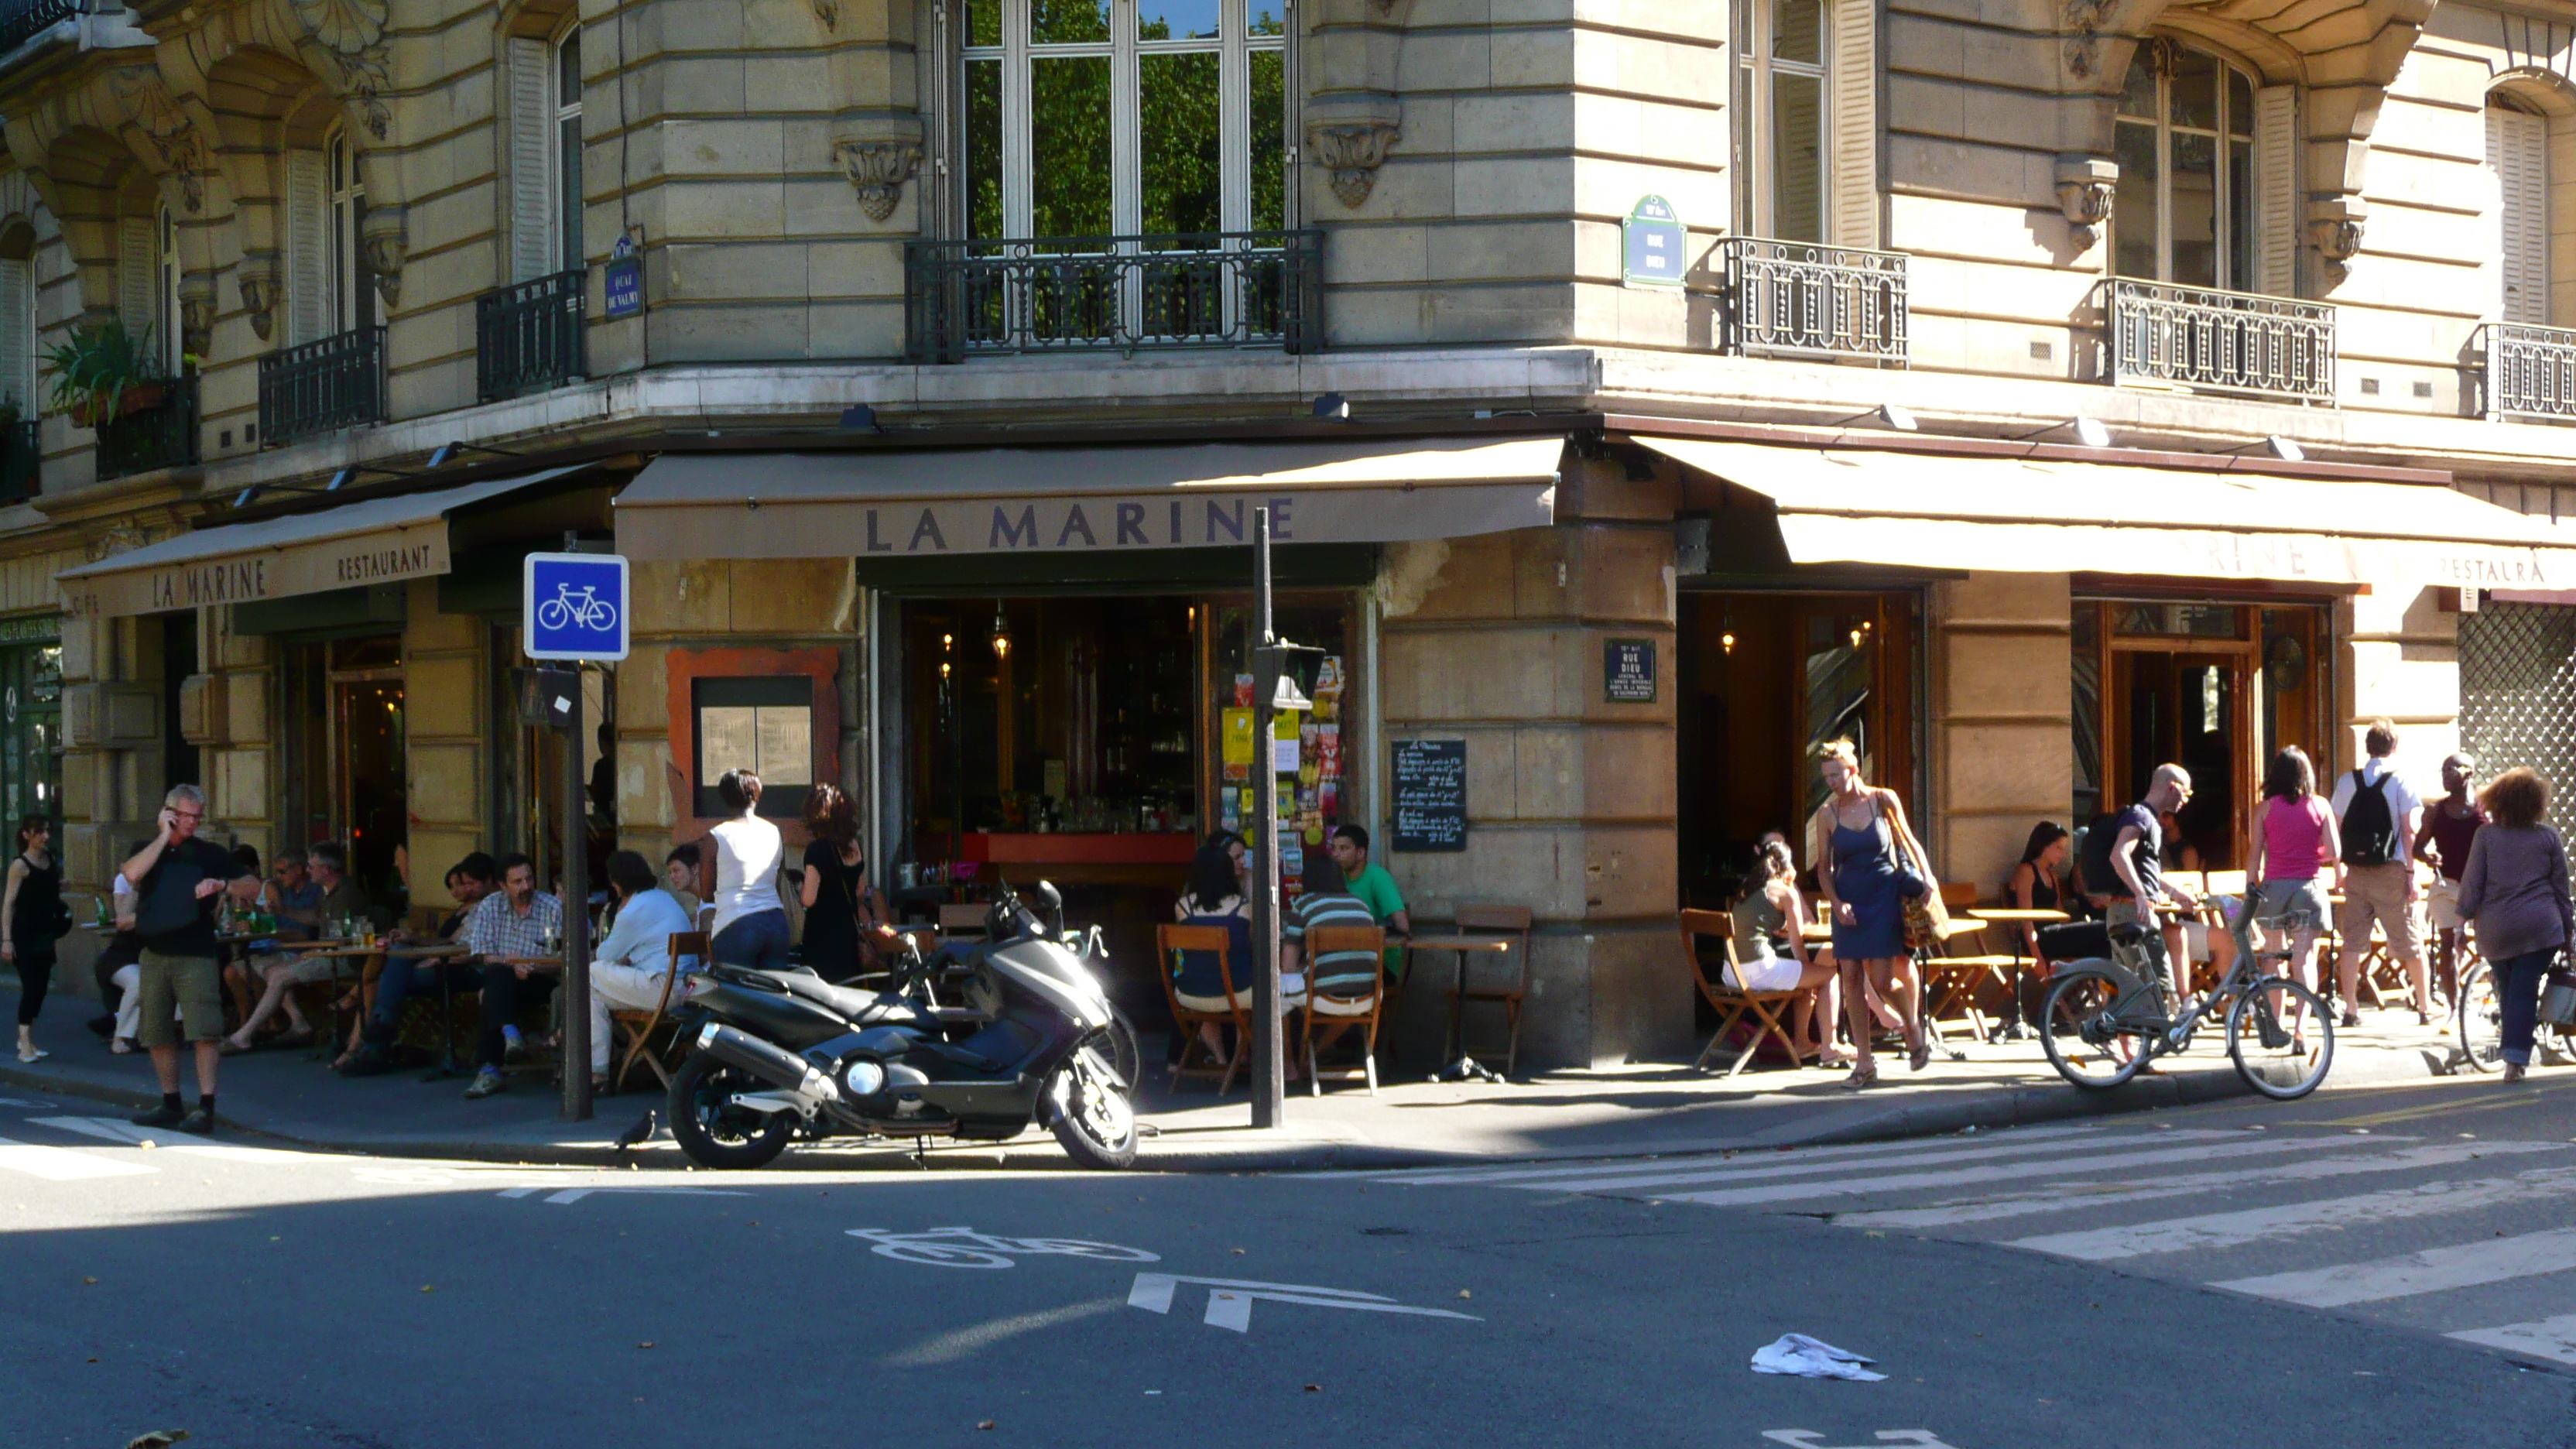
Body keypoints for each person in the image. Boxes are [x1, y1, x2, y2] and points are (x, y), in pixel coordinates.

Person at [122, 785, 252, 1132]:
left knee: (203, 1031)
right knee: (156, 1032)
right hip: (154, 953)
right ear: (169, 813)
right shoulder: (148, 850)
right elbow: (132, 874)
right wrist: (164, 837)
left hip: (194, 952)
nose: (192, 823)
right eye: (186, 816)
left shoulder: (208, 853)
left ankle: (206, 1106)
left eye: (197, 816)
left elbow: (255, 886)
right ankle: (171, 1103)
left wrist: (223, 885)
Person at [1811, 740, 1930, 1089]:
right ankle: (1864, 1063)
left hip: (1883, 897)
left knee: (1881, 980)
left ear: (1854, 769)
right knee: (1850, 980)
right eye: (1826, 777)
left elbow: (1909, 841)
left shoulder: (1882, 799)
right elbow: (1823, 870)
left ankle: (1911, 1025)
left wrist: (1928, 878)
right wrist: (1836, 903)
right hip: (1848, 900)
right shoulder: (1827, 815)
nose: (1831, 782)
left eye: (1836, 775)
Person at [2456, 767, 2573, 1084]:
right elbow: (2562, 891)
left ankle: (2514, 1050)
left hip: (2496, 929)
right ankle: (2515, 1057)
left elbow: (2472, 884)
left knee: (2510, 990)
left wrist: (2460, 924)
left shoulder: (2486, 836)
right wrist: (2569, 934)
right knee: (2524, 989)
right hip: (2540, 928)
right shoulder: (2548, 837)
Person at [340, 853, 498, 1077]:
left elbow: (479, 952)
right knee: (400, 951)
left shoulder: (497, 908)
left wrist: (439, 959)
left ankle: (377, 1039)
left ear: (490, 880)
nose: (468, 889)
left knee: (387, 979)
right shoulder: (476, 909)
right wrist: (412, 938)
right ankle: (378, 1035)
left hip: (471, 969)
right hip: (449, 962)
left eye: (471, 883)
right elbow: (450, 941)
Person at [224, 841, 368, 1054]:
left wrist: (312, 952)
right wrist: (283, 911)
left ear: (326, 870)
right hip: (326, 954)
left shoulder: (345, 895)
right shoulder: (328, 891)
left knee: (280, 975)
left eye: (312, 867)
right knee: (270, 970)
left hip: (345, 959)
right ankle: (297, 1023)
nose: (308, 871)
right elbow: (314, 918)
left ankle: (243, 1036)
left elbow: (341, 941)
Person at [2331, 718, 2431, 1026]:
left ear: (2367, 747)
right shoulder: (2401, 780)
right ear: (2395, 747)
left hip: (2356, 871)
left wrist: (2339, 870)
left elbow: (2334, 829)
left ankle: (2351, 1010)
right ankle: (2425, 1007)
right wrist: (2411, 873)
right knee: (2409, 940)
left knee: (2352, 943)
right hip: (2390, 870)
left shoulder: (2348, 781)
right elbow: (2407, 831)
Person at [1730, 839, 1848, 1067]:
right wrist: (1809, 974)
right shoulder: (1785, 892)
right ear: (1786, 866)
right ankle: (1830, 1045)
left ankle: (1804, 1042)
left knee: (1805, 975)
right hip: (1759, 971)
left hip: (1732, 974)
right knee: (1829, 973)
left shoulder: (1747, 888)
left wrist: (1806, 976)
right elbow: (1797, 942)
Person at [585, 849, 695, 1091]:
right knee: (592, 997)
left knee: (589, 973)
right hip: (683, 990)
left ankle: (596, 1068)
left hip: (663, 990)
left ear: (616, 882)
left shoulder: (634, 909)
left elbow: (605, 955)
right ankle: (597, 1070)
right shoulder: (663, 898)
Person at [2246, 746, 2339, 1031]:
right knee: (2305, 959)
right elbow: (2334, 850)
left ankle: (2276, 1024)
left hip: (2275, 888)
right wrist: (2312, 854)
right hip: (2309, 887)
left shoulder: (2265, 809)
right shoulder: (2321, 806)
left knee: (2275, 958)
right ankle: (2302, 1029)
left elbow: (2254, 854)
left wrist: (2251, 887)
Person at [2104, 763, 2205, 1024]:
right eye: (2186, 793)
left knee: (2127, 986)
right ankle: (2145, 1051)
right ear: (2172, 787)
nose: (2186, 800)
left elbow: (2147, 871)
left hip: (2126, 909)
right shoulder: (2141, 817)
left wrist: (2174, 893)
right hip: (2133, 911)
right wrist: (2140, 894)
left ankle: (2123, 1054)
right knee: (2158, 985)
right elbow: (2119, 854)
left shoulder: (2149, 820)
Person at [460, 852, 564, 1100]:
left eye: (528, 879)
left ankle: (491, 1068)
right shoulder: (491, 906)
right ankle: (509, 1035)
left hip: (543, 977)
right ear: (503, 885)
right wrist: (512, 963)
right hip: (507, 978)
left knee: (490, 992)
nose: (526, 886)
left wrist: (532, 966)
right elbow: (485, 955)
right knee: (497, 975)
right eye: (517, 882)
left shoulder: (552, 907)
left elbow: (565, 958)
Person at [1283, 850, 1382, 1071]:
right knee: (1346, 1002)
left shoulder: (1304, 904)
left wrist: (1305, 966)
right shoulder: (1361, 905)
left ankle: (1289, 1064)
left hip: (1322, 996)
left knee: (1278, 994)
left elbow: (1287, 967)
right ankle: (1314, 1057)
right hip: (1368, 997)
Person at [1170, 844, 1259, 1067]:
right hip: (1238, 993)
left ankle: (1221, 1060)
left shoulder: (1182, 907)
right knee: (1255, 992)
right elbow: (1254, 948)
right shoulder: (1244, 908)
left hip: (1190, 993)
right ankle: (1242, 1056)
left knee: (1205, 1005)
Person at [2420, 752, 2485, 1005]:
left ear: (2469, 773)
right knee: (2448, 945)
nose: (2445, 775)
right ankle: (2454, 1008)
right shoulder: (2436, 810)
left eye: (2452, 769)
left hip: (2482, 889)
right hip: (2446, 887)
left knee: (2493, 945)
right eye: (2443, 770)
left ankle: (2498, 997)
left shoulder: (2486, 809)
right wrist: (2427, 858)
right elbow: (2418, 847)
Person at [707, 769, 790, 971]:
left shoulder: (716, 836)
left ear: (724, 798)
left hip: (735, 922)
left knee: (735, 997)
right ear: (757, 795)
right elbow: (780, 876)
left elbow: (706, 893)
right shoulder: (774, 832)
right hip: (776, 922)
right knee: (773, 997)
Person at [798, 783, 879, 981]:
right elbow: (860, 891)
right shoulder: (854, 846)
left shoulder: (817, 850)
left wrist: (799, 889)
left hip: (822, 937)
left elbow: (809, 899)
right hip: (848, 935)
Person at [1999, 821, 2071, 1036]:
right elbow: (2025, 918)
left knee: (2096, 945)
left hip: (2054, 935)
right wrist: (2036, 955)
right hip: (2036, 938)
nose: (2062, 853)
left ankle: (2099, 1009)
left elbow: (2059, 911)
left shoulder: (2052, 875)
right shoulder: (2026, 871)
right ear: (2044, 846)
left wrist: (2076, 934)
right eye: (2058, 847)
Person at [4, 815, 63, 1062]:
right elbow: (9, 903)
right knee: (32, 988)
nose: (45, 836)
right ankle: (24, 1044)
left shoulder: (50, 859)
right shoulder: (20, 865)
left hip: (44, 934)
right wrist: (6, 940)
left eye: (48, 831)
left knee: (40, 989)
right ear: (27, 835)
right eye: (39, 832)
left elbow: (50, 889)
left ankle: (28, 1039)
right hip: (24, 935)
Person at [1327, 824, 1410, 982]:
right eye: (1334, 848)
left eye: (1344, 849)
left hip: (1382, 963)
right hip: (1348, 957)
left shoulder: (1378, 878)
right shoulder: (1336, 878)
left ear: (1360, 853)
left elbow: (1403, 926)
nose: (1336, 854)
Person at [664, 843, 704, 923]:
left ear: (695, 868)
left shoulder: (712, 902)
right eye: (670, 872)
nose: (672, 876)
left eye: (676, 870)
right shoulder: (700, 903)